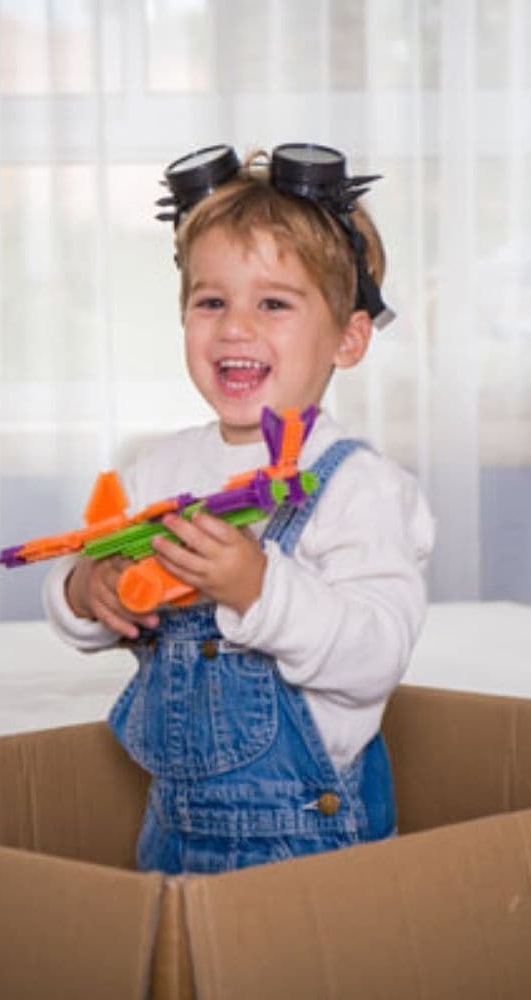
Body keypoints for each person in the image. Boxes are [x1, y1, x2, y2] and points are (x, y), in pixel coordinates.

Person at [43, 143, 434, 874]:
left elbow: (376, 654)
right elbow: (83, 584)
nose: (233, 327)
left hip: (313, 845)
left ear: (348, 339)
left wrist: (261, 589)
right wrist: (87, 590)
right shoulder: (156, 468)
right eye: (211, 301)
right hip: (172, 830)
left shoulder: (357, 486)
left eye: (274, 303)